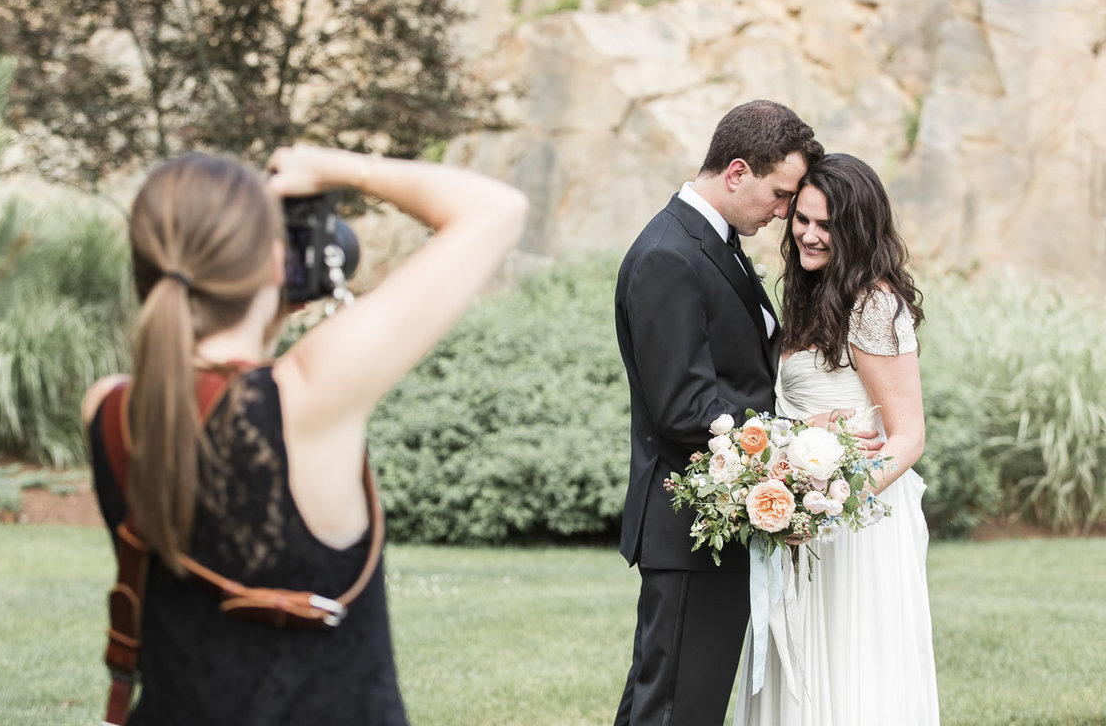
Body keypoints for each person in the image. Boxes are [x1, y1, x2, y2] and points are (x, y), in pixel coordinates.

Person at [81, 146, 528, 725]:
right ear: (274, 263)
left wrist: (263, 308)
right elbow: (495, 209)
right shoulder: (306, 395)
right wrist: (339, 168)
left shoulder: (110, 408)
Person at [613, 100, 825, 725]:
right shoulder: (668, 256)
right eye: (781, 194)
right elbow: (684, 408)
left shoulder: (714, 243)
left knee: (669, 699)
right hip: (690, 521)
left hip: (717, 513)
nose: (784, 212)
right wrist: (790, 448)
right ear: (737, 172)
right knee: (678, 707)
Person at [734, 152, 940, 724]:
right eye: (801, 218)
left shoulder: (874, 305)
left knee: (853, 668)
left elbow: (908, 436)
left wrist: (830, 507)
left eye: (827, 225)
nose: (808, 234)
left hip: (855, 523)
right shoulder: (809, 295)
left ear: (857, 230)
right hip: (801, 511)